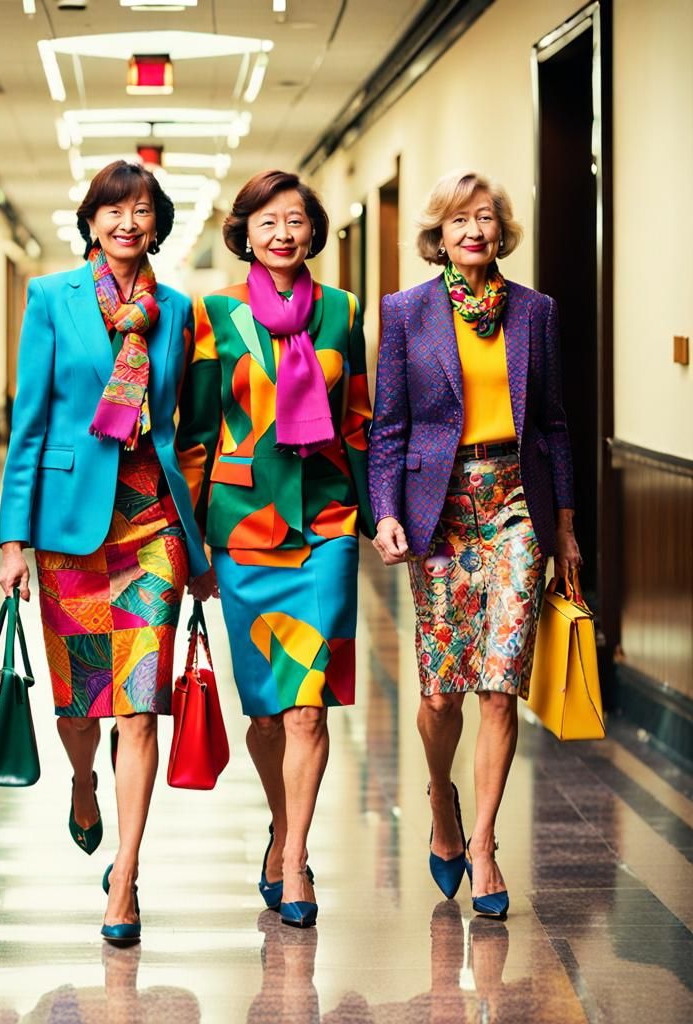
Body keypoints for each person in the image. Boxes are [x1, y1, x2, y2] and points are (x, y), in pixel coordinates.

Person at [0, 160, 211, 945]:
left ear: (158, 224)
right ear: (91, 222)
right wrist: (14, 539)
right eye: (113, 209)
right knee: (81, 706)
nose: (128, 221)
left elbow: (189, 427)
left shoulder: (180, 310)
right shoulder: (52, 299)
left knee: (139, 708)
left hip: (152, 525)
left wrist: (199, 538)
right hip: (70, 531)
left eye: (142, 209)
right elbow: (29, 423)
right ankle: (82, 781)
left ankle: (125, 873)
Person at [369, 169, 580, 920]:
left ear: (501, 230)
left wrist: (564, 525)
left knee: (499, 682)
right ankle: (440, 793)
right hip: (439, 507)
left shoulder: (535, 312)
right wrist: (385, 510)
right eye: (459, 220)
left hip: (517, 503)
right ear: (438, 233)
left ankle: (484, 844)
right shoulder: (405, 313)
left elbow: (552, 423)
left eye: (485, 218)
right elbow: (389, 425)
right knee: (440, 689)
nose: (473, 232)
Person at [176, 169, 375, 929]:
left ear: (312, 230)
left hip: (324, 522)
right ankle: (280, 825)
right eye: (268, 222)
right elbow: (196, 434)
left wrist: (376, 510)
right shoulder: (214, 316)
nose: (283, 234)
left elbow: (358, 415)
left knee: (308, 711)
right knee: (266, 714)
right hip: (244, 528)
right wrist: (194, 543)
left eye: (295, 220)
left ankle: (295, 862)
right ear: (246, 234)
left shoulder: (342, 311)